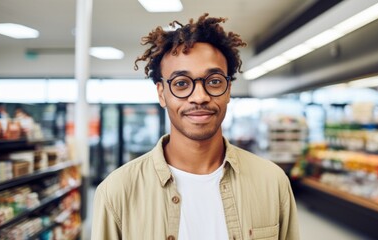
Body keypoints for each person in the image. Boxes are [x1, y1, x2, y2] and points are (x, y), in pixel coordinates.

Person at [92, 13, 299, 240]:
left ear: (228, 90)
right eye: (181, 83)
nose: (199, 97)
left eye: (214, 82)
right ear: (162, 94)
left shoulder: (272, 182)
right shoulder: (117, 192)